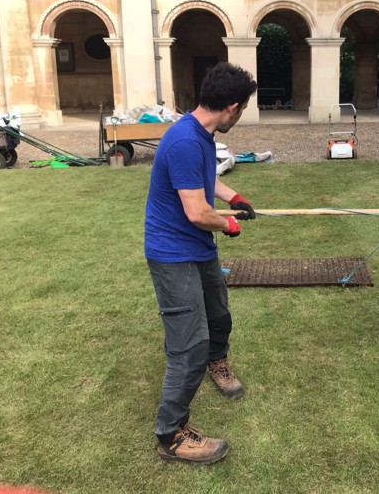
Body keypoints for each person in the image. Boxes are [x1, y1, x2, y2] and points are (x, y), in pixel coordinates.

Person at [144, 62, 258, 465]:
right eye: (242, 108)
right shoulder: (184, 141)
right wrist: (229, 224)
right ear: (232, 107)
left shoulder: (201, 134)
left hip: (197, 248)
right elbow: (196, 211)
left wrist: (235, 197)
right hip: (173, 253)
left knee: (218, 317)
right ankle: (170, 435)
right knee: (188, 347)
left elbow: (201, 180)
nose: (240, 115)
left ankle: (219, 364)